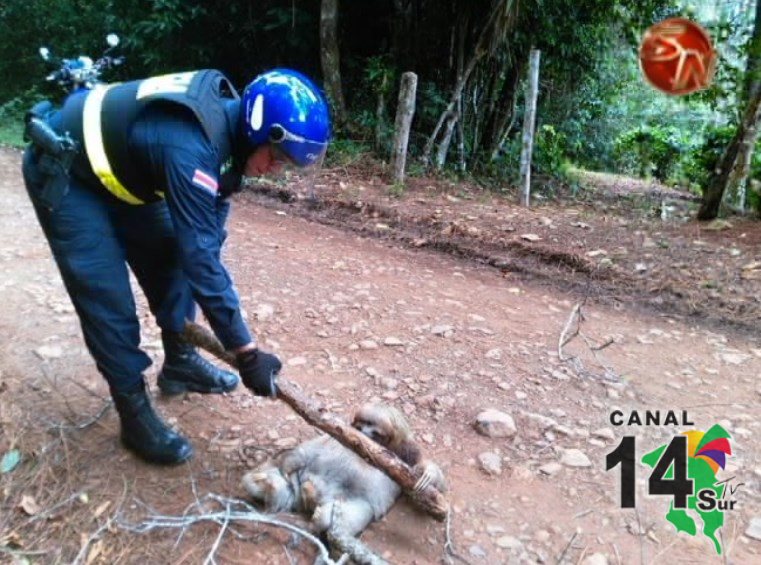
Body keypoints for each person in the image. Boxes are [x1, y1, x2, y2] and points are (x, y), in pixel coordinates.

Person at [21, 68, 331, 465]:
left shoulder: (229, 133)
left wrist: (206, 261)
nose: (276, 170)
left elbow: (207, 229)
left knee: (176, 262)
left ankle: (180, 363)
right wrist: (247, 352)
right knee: (109, 300)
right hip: (70, 175)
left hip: (125, 177)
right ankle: (133, 415)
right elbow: (201, 257)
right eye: (277, 157)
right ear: (258, 131)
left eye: (286, 164)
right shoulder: (191, 147)